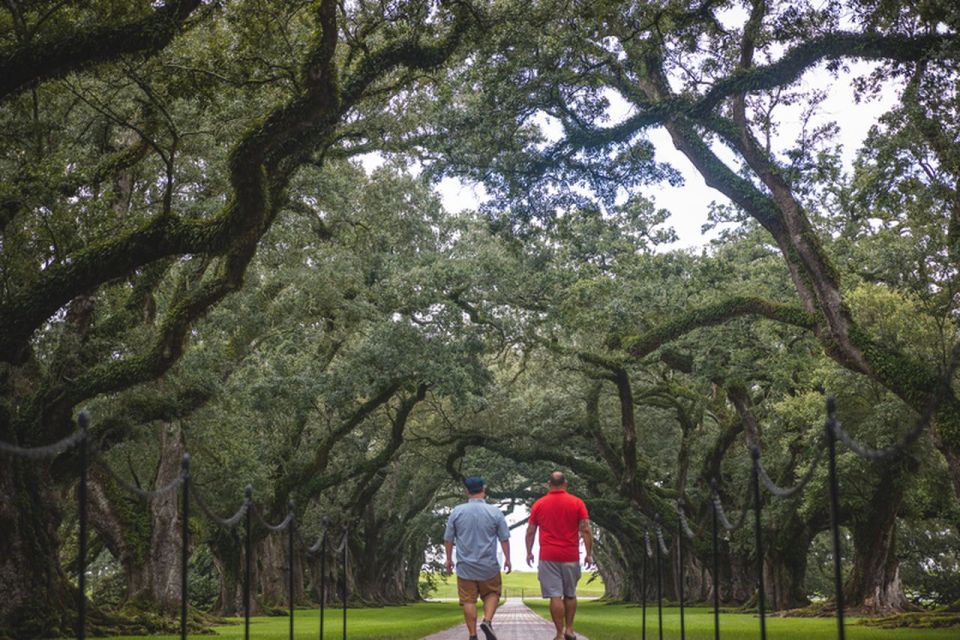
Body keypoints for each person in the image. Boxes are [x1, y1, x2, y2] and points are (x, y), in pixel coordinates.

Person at [525, 471, 593, 640]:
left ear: (549, 483)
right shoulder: (577, 503)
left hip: (548, 555)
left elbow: (530, 531)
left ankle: (559, 634)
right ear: (565, 483)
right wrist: (589, 554)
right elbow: (585, 529)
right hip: (570, 555)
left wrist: (529, 552)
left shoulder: (539, 504)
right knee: (570, 594)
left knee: (555, 595)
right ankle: (569, 629)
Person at [444, 476, 512, 640]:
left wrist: (448, 559)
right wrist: (508, 559)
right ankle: (487, 621)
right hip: (488, 565)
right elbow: (504, 538)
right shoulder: (495, 512)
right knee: (493, 593)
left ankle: (473, 635)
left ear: (466, 491)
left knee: (468, 600)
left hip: (465, 566)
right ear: (484, 489)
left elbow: (448, 539)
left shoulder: (457, 512)